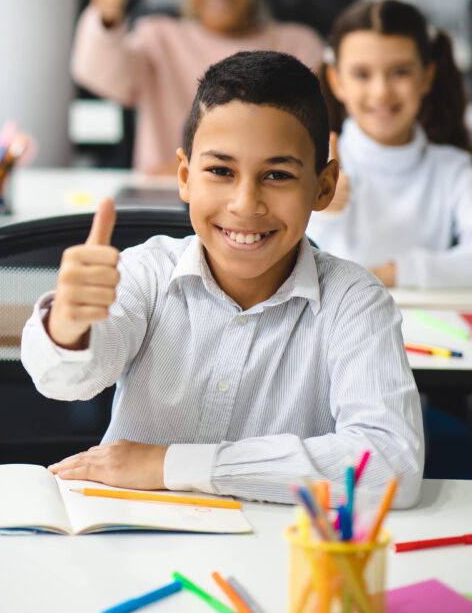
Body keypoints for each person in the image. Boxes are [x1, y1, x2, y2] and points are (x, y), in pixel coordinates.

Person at [22, 51, 423, 506]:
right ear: (184, 176)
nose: (245, 203)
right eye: (220, 171)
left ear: (323, 186)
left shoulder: (354, 301)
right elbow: (63, 382)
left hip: (277, 558)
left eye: (277, 174)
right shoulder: (146, 272)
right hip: (133, 539)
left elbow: (391, 464)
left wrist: (170, 466)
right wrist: (69, 328)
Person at [73, 0, 323, 174]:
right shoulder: (158, 37)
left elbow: (310, 140)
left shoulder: (299, 45)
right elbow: (98, 74)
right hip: (166, 200)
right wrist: (108, 17)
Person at [308, 0, 472, 288]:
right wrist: (322, 211)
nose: (381, 91)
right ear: (336, 81)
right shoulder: (312, 164)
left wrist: (392, 274)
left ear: (427, 76)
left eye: (400, 72)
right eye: (362, 74)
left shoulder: (455, 170)